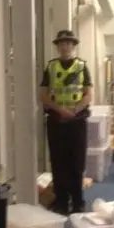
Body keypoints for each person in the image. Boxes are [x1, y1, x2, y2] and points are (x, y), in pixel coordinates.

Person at [39, 30, 93, 214]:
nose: (65, 46)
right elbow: (44, 95)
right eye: (62, 43)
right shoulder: (51, 67)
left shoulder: (82, 66)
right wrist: (60, 110)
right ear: (57, 46)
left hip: (77, 121)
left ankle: (78, 202)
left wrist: (75, 111)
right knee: (58, 162)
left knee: (77, 163)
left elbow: (88, 94)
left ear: (73, 46)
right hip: (56, 120)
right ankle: (61, 202)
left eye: (69, 43)